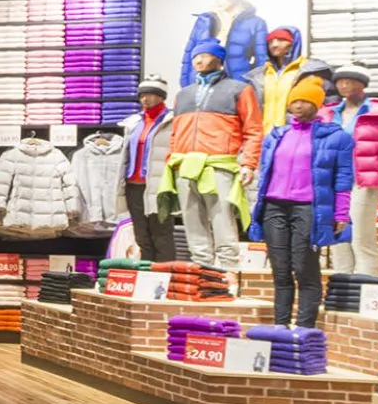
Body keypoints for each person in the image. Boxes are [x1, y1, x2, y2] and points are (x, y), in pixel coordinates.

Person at [248, 77, 352, 330]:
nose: (298, 106)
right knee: (280, 270)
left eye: (305, 101)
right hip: (275, 206)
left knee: (304, 267)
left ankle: (305, 328)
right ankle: (280, 326)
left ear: (317, 105)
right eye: (295, 101)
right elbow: (265, 173)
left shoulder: (336, 137)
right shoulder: (276, 135)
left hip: (309, 209)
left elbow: (343, 178)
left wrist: (340, 213)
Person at [162, 38, 261, 273]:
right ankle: (202, 275)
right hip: (185, 165)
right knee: (192, 222)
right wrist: (172, 160)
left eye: (205, 55)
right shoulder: (184, 94)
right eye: (196, 56)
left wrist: (248, 163)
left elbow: (254, 129)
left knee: (223, 220)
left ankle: (228, 275)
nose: (198, 60)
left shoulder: (239, 89)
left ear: (218, 59)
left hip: (220, 165)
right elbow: (176, 131)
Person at [328, 65, 378, 275]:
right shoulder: (328, 113)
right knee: (337, 236)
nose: (344, 85)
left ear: (363, 84)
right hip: (334, 181)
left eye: (350, 80)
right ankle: (342, 287)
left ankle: (366, 285)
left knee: (360, 236)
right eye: (340, 81)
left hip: (363, 179)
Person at [118, 78, 176, 263]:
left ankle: (166, 279)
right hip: (134, 185)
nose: (145, 99)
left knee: (161, 235)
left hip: (158, 185)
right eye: (142, 95)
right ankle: (147, 277)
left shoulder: (171, 121)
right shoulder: (134, 122)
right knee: (141, 235)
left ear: (161, 96)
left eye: (150, 94)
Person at [180, 0, 267, 84]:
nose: (216, 0)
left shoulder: (256, 23)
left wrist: (252, 86)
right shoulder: (204, 21)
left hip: (237, 84)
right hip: (202, 84)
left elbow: (262, 61)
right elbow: (189, 55)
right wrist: (186, 86)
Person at [254, 25, 307, 130]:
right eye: (270, 42)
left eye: (281, 40)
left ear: (293, 43)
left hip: (295, 134)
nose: (274, 45)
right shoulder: (261, 74)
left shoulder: (307, 70)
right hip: (265, 138)